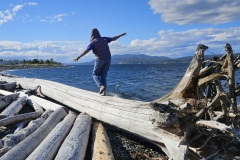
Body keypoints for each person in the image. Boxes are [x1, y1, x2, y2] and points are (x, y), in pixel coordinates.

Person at [73, 28, 126, 96]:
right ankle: (104, 92)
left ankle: (101, 86)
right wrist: (120, 35)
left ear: (91, 35)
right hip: (108, 59)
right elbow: (113, 38)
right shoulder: (104, 39)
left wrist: (78, 57)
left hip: (100, 59)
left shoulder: (93, 42)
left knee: (95, 75)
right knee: (103, 75)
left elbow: (87, 50)